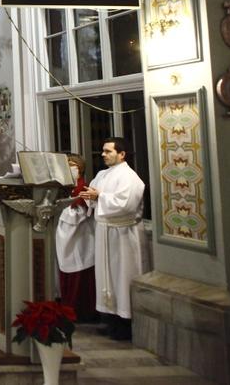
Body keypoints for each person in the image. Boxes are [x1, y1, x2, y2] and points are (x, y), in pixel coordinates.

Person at [80, 137, 146, 341]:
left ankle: (124, 323)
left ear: (122, 154)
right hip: (105, 231)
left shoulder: (129, 177)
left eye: (108, 151)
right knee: (105, 276)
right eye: (103, 151)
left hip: (123, 234)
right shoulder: (101, 174)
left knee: (122, 276)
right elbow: (91, 195)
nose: (103, 154)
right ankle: (109, 319)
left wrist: (99, 197)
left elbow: (126, 204)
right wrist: (91, 197)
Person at [55, 154, 97, 323]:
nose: (71, 168)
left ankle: (81, 311)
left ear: (81, 169)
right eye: (68, 165)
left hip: (80, 239)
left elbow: (80, 213)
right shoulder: (64, 188)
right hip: (64, 238)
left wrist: (61, 210)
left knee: (80, 274)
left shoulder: (83, 188)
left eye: (74, 165)